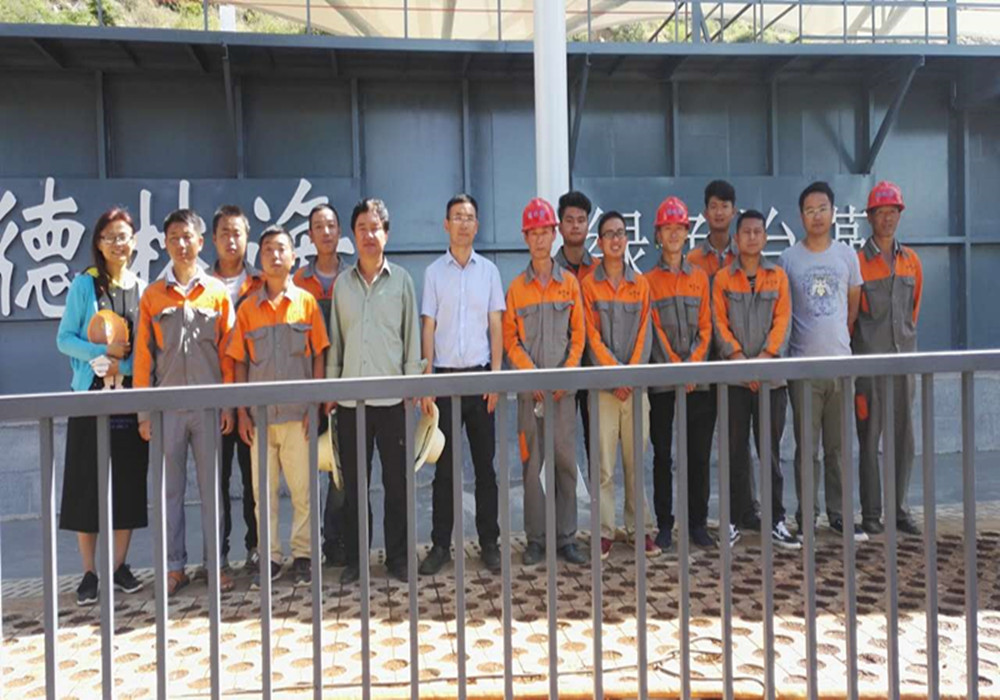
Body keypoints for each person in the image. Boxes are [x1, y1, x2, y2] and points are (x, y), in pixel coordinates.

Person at [134, 208, 236, 595]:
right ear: (165, 244)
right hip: (167, 410)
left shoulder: (216, 292)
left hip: (209, 408)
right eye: (173, 237)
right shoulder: (152, 296)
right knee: (169, 491)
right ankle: (173, 567)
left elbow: (228, 354)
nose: (181, 244)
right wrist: (144, 412)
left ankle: (215, 565)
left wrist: (228, 404)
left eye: (187, 236)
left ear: (200, 242)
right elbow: (143, 359)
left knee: (213, 490)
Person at [326, 199, 423, 585]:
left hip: (394, 401)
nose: (369, 235)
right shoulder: (342, 286)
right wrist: (331, 388)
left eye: (375, 227)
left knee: (398, 485)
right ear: (353, 235)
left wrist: (412, 385)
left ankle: (398, 557)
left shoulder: (402, 281)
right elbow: (336, 340)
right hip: (351, 401)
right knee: (354, 486)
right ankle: (357, 560)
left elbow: (412, 336)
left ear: (387, 233)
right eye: (362, 228)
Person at [56, 208, 149, 606]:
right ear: (98, 242)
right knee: (86, 483)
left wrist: (120, 366)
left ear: (134, 241)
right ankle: (89, 573)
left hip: (128, 401)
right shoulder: (85, 285)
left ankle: (119, 566)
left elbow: (143, 352)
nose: (117, 243)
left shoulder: (141, 288)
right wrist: (99, 354)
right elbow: (64, 339)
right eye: (109, 236)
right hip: (89, 398)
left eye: (123, 236)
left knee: (128, 480)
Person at [228, 225, 330, 588]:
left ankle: (304, 555)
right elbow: (240, 362)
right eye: (268, 249)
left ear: (293, 257)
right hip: (259, 419)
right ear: (260, 258)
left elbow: (318, 355)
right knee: (263, 494)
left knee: (304, 492)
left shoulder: (306, 303)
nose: (275, 255)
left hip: (298, 416)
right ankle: (269, 557)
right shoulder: (247, 309)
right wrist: (242, 411)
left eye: (281, 249)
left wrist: (314, 406)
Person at [418, 194, 504, 576]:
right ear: (446, 224)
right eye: (457, 217)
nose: (464, 223)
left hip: (481, 380)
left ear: (477, 225)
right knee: (445, 471)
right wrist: (427, 380)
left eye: (469, 217)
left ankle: (490, 543)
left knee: (485, 468)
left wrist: (496, 377)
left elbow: (496, 325)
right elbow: (428, 327)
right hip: (445, 382)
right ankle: (440, 545)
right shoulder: (434, 273)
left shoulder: (490, 272)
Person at [503, 197, 588, 566]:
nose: (539, 239)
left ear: (554, 235)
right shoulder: (516, 289)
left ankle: (566, 538)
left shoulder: (569, 284)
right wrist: (532, 376)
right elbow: (511, 340)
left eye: (544, 232)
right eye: (533, 233)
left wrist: (564, 375)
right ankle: (536, 540)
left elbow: (578, 336)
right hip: (530, 396)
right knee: (532, 466)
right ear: (525, 238)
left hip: (562, 396)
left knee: (565, 465)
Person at [780, 182, 867, 541]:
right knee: (807, 448)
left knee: (838, 448)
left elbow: (852, 309)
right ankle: (807, 516)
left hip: (840, 366)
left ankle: (840, 514)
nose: (816, 216)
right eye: (809, 210)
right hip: (803, 367)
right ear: (801, 216)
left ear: (833, 212)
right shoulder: (789, 259)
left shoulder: (846, 256)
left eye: (822, 208)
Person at [713, 210, 800, 549]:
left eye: (757, 232)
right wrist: (738, 359)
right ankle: (733, 520)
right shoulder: (723, 279)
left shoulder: (777, 277)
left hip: (771, 381)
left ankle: (776, 520)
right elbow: (719, 323)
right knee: (734, 453)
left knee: (770, 453)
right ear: (736, 239)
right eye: (746, 232)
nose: (751, 237)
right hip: (734, 381)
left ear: (765, 238)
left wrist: (764, 361)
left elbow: (783, 322)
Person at [581, 210, 658, 560]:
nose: (615, 239)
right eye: (609, 234)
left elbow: (645, 334)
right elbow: (591, 336)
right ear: (599, 243)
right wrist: (615, 375)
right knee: (604, 467)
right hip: (603, 389)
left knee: (634, 463)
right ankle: (604, 532)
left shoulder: (640, 284)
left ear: (627, 240)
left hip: (635, 388)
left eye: (621, 233)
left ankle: (639, 529)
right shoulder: (588, 285)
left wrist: (630, 375)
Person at [644, 196, 715, 550]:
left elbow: (707, 326)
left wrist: (692, 367)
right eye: (667, 228)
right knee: (663, 456)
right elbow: (653, 329)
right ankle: (664, 525)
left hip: (697, 383)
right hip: (662, 384)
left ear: (687, 233)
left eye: (679, 228)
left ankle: (697, 523)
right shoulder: (647, 281)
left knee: (698, 455)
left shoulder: (700, 278)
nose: (673, 234)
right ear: (657, 234)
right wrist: (676, 367)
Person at [853, 182, 923, 536]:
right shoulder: (858, 263)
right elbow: (852, 316)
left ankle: (899, 510)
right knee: (869, 439)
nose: (888, 219)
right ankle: (871, 514)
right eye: (881, 213)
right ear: (870, 217)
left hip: (903, 365)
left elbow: (913, 311)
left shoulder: (911, 261)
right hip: (868, 367)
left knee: (903, 440)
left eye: (893, 212)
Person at [685, 180, 751, 544]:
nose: (720, 212)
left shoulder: (747, 256)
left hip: (740, 365)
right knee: (699, 450)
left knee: (739, 445)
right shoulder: (693, 261)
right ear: (705, 213)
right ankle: (699, 522)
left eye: (726, 205)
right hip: (704, 368)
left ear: (734, 210)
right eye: (713, 206)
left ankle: (742, 514)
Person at [293, 203, 350, 567]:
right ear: (309, 235)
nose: (326, 232)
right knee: (304, 471)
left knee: (340, 467)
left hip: (346, 385)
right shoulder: (298, 282)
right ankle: (304, 549)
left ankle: (336, 540)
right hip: (307, 387)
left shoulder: (352, 277)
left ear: (340, 232)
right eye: (318, 226)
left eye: (331, 225)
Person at [209, 204, 262, 571]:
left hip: (250, 396)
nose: (231, 240)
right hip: (211, 397)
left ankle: (257, 547)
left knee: (253, 477)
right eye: (224, 233)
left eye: (237, 233)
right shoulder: (199, 286)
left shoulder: (260, 283)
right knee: (216, 481)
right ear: (213, 239)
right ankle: (219, 553)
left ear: (247, 239)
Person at [554, 191, 597, 473]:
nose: (575, 225)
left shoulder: (601, 270)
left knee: (598, 449)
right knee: (561, 448)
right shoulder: (549, 270)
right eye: (569, 220)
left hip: (594, 370)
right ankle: (561, 502)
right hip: (561, 370)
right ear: (560, 226)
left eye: (581, 220)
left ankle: (598, 504)